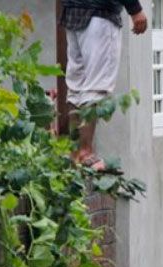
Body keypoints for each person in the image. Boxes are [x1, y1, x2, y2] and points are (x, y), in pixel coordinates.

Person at [60, 0, 148, 171]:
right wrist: (135, 9)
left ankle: (75, 153)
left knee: (76, 86)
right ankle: (86, 152)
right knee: (96, 86)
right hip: (100, 13)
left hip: (72, 12)